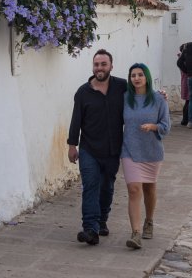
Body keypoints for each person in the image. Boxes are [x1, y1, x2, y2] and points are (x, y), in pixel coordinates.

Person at [67, 49, 127, 245]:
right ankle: (90, 228)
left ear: (111, 66)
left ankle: (102, 220)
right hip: (89, 149)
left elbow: (141, 98)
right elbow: (76, 120)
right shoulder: (83, 92)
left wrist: (159, 97)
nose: (99, 68)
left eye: (103, 64)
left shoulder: (122, 87)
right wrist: (72, 145)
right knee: (91, 185)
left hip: (112, 149)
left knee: (107, 186)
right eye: (96, 64)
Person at [121, 63, 171, 250]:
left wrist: (153, 127)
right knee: (134, 190)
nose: (136, 78)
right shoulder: (125, 98)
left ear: (147, 77)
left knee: (150, 189)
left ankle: (149, 221)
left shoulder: (159, 99)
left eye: (140, 74)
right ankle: (135, 234)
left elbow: (166, 126)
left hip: (152, 151)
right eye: (133, 75)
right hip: (129, 150)